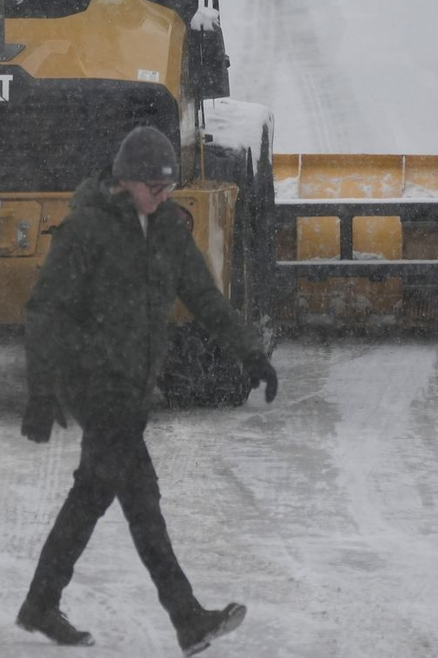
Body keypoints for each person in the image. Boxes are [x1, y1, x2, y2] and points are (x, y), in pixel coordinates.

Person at [16, 125, 278, 653]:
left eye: (168, 187)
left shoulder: (168, 233)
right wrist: (42, 391)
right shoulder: (85, 231)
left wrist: (251, 352)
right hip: (92, 381)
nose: (163, 196)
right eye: (154, 187)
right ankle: (185, 616)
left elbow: (205, 298)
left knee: (100, 495)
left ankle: (41, 605)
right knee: (139, 502)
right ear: (125, 181)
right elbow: (46, 311)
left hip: (135, 384)